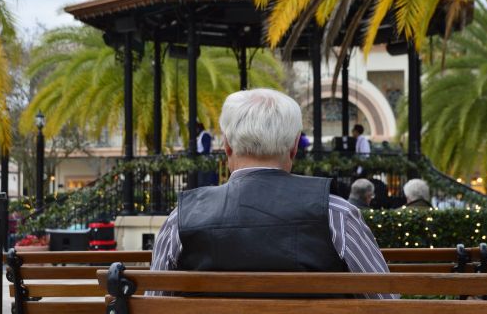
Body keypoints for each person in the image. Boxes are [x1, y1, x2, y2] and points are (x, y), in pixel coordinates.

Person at [151, 88, 395, 299]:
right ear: (293, 148)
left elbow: (155, 301)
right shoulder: (337, 213)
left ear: (226, 146)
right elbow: (386, 297)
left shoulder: (180, 219)